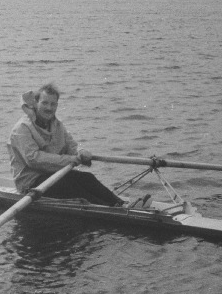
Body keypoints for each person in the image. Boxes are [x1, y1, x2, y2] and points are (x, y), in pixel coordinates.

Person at [8, 83, 147, 207]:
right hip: (30, 183)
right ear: (36, 103)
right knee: (70, 187)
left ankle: (121, 204)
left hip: (52, 173)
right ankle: (114, 209)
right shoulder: (21, 128)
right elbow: (34, 159)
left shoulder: (56, 124)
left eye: (53, 104)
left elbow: (71, 145)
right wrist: (69, 160)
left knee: (87, 178)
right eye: (45, 103)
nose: (49, 108)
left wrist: (81, 152)